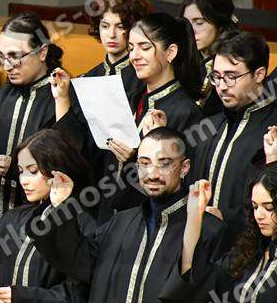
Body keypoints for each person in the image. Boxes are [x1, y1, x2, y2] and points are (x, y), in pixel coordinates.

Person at [27, 127, 225, 303]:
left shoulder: (209, 229)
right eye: (144, 163)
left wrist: (193, 222)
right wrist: (62, 207)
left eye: (164, 164)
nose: (152, 174)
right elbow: (80, 264)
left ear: (184, 168)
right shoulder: (120, 222)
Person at [52, 13, 204, 220]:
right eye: (131, 48)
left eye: (145, 47)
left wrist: (135, 159)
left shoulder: (186, 112)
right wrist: (62, 98)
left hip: (149, 222)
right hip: (109, 217)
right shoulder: (132, 99)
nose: (134, 56)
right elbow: (90, 154)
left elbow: (183, 183)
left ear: (170, 52)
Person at [0, 129, 90, 303]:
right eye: (21, 171)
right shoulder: (13, 219)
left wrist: (22, 301)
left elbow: (77, 301)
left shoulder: (83, 225)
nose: (23, 180)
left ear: (58, 172)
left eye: (33, 171)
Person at [188, 31, 277, 248]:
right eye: (216, 77)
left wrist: (225, 217)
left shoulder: (273, 127)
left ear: (259, 74)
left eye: (231, 76)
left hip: (251, 250)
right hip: (201, 247)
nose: (222, 86)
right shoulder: (211, 125)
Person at [168, 162, 277, 303]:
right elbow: (201, 288)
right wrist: (195, 218)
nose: (259, 215)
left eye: (269, 207)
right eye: (255, 207)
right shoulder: (250, 253)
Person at [0, 13, 63, 220]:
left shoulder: (61, 101)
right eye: (1, 56)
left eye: (15, 56)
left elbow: (66, 169)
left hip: (38, 221)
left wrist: (16, 169)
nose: (7, 66)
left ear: (42, 52)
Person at [181, 0, 238, 115]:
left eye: (199, 23)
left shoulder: (235, 63)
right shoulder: (182, 57)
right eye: (186, 23)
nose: (191, 31)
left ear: (220, 23)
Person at [83, 0, 149, 99]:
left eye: (120, 27)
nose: (111, 34)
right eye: (105, 26)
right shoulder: (88, 79)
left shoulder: (145, 78)